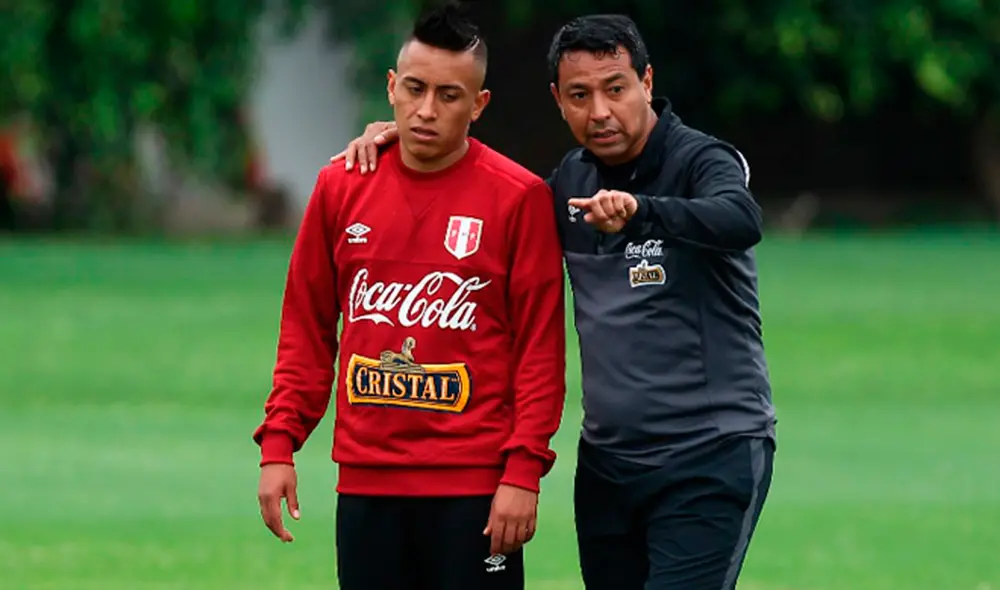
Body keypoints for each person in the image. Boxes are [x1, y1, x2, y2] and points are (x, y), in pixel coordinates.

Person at [330, 13, 777, 590]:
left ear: (646, 81)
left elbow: (740, 218)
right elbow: (487, 192)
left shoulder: (701, 160)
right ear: (558, 101)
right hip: (609, 465)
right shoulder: (569, 183)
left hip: (708, 454)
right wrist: (404, 141)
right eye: (579, 95)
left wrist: (643, 212)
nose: (600, 111)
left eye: (615, 89)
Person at [253, 5, 567, 590]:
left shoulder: (519, 198)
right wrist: (279, 444)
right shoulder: (340, 187)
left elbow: (539, 352)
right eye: (416, 89)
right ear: (392, 88)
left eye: (449, 96)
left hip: (475, 489)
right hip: (367, 485)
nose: (426, 110)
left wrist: (524, 471)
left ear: (479, 105)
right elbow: (306, 328)